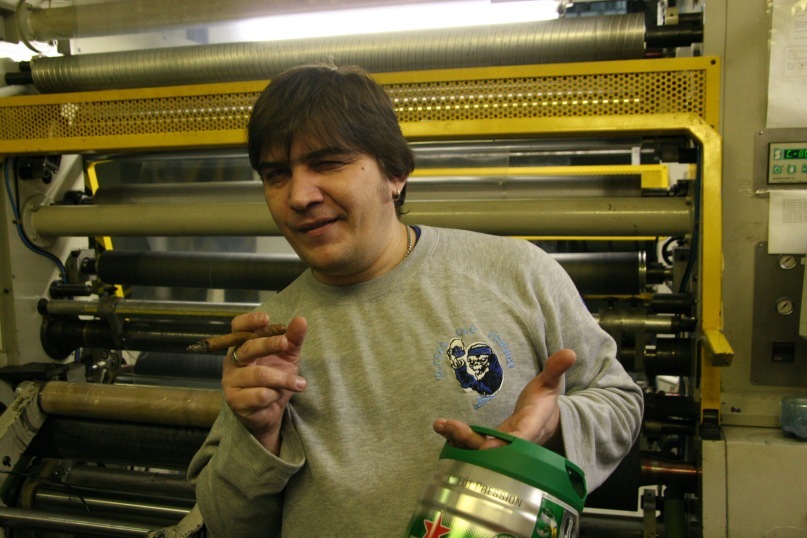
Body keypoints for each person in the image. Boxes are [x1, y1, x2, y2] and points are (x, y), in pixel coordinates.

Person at [187, 63, 644, 537]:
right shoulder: (269, 342)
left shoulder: (515, 273)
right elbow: (228, 525)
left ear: (395, 173)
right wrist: (259, 438)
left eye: (328, 163)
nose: (299, 196)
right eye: (276, 174)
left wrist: (555, 426)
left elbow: (620, 401)